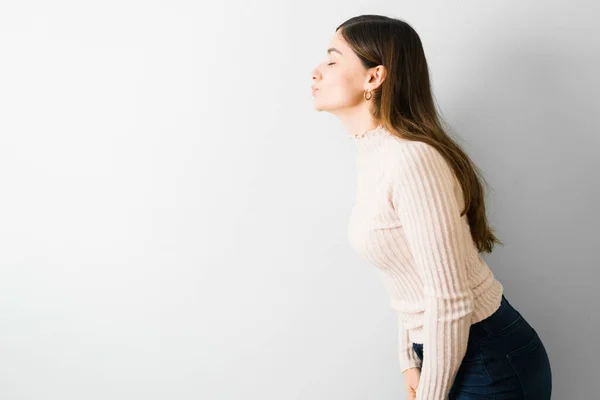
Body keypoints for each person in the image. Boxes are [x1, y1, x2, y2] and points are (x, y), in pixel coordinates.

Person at [311, 15, 552, 400]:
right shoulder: (376, 153)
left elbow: (450, 297)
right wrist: (408, 356)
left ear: (374, 77)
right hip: (447, 352)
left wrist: (431, 395)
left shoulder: (412, 160)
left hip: (487, 361)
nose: (316, 71)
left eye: (333, 60)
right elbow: (408, 274)